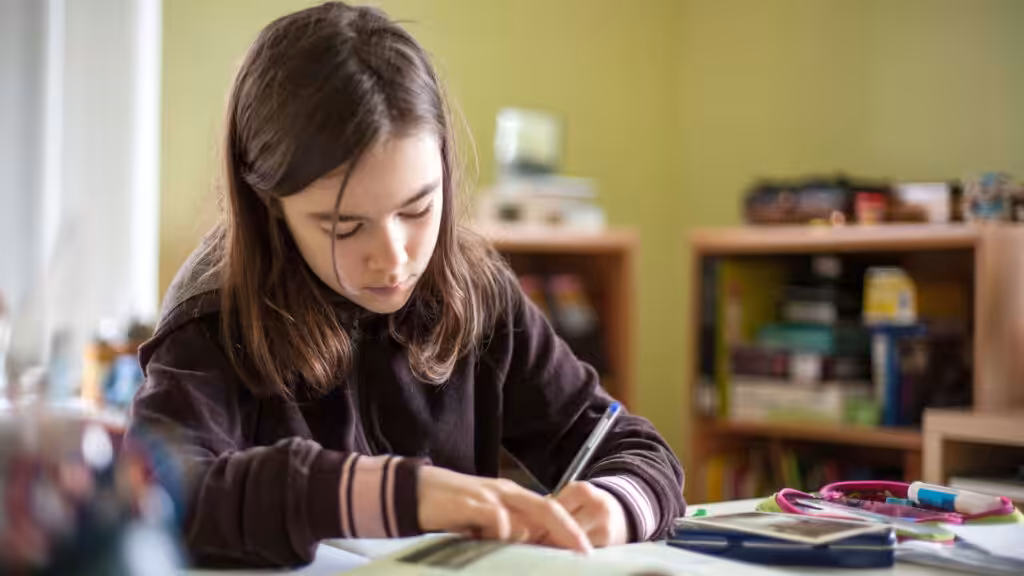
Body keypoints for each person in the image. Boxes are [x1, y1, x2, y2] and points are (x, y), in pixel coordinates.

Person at [126, 1, 684, 568]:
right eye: (345, 227)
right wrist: (390, 495)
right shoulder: (212, 314)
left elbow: (637, 451)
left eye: (418, 209)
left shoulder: (476, 293)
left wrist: (615, 503)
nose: (393, 260)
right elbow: (159, 499)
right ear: (269, 205)